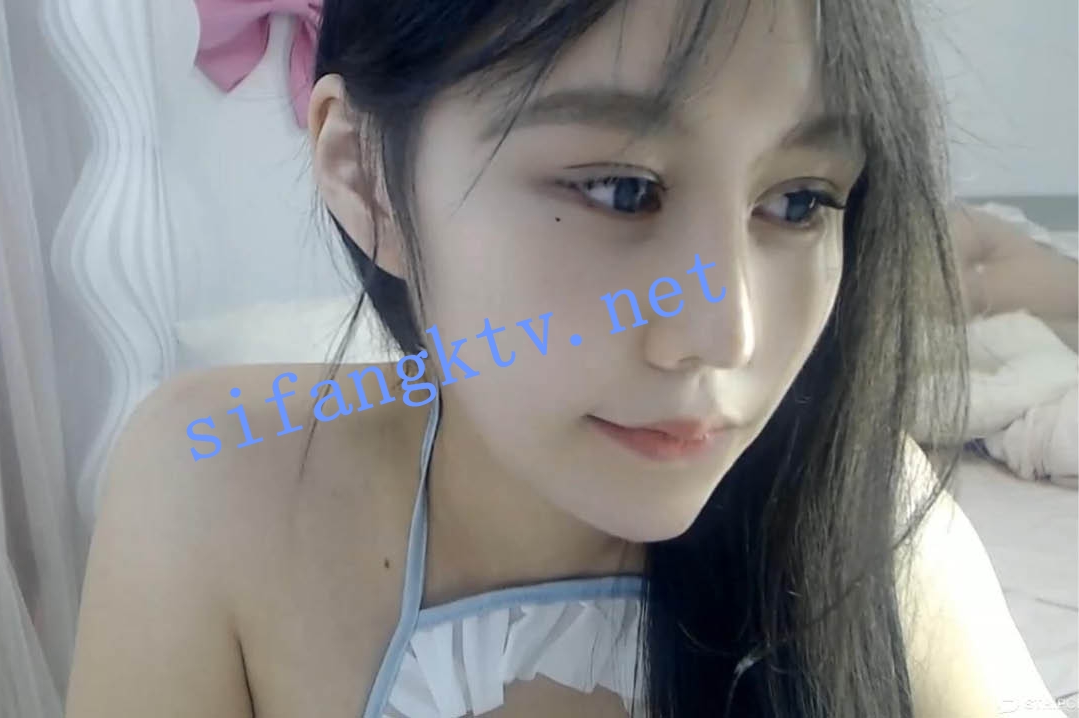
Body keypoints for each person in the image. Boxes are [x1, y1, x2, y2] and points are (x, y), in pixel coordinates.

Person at [64, 1, 1066, 716]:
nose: (729, 337)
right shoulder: (216, 481)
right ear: (366, 180)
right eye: (621, 191)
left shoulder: (866, 510)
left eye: (799, 202)